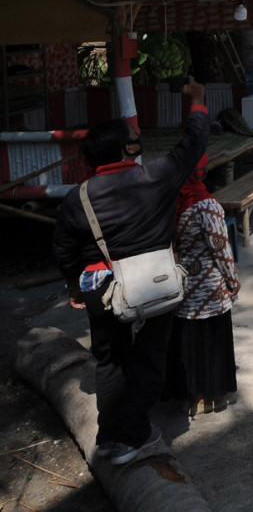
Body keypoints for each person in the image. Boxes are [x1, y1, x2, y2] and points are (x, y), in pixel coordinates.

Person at [52, 79, 209, 466]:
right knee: (149, 358)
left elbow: (65, 248)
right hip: (152, 284)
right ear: (129, 148)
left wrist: (74, 285)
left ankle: (110, 437)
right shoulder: (155, 176)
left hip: (100, 287)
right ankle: (133, 437)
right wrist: (197, 103)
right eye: (136, 135)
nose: (140, 137)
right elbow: (194, 143)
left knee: (109, 361)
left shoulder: (78, 197)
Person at [165, 154, 240, 417]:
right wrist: (232, 280)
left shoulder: (174, 201)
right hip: (209, 286)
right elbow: (220, 247)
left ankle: (190, 396)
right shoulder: (205, 204)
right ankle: (212, 396)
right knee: (212, 341)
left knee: (190, 341)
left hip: (183, 285)